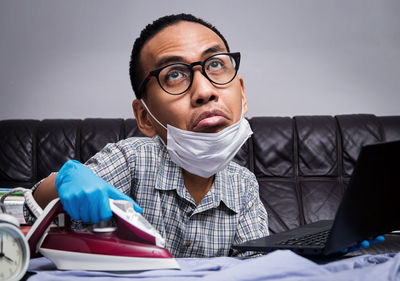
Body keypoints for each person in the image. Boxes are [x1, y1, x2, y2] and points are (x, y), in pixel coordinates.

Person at [26, 13, 270, 257]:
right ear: (144, 116)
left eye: (215, 64)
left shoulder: (244, 184)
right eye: (174, 74)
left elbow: (256, 267)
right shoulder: (130, 161)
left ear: (242, 94)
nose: (204, 91)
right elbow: (21, 223)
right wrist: (57, 187)